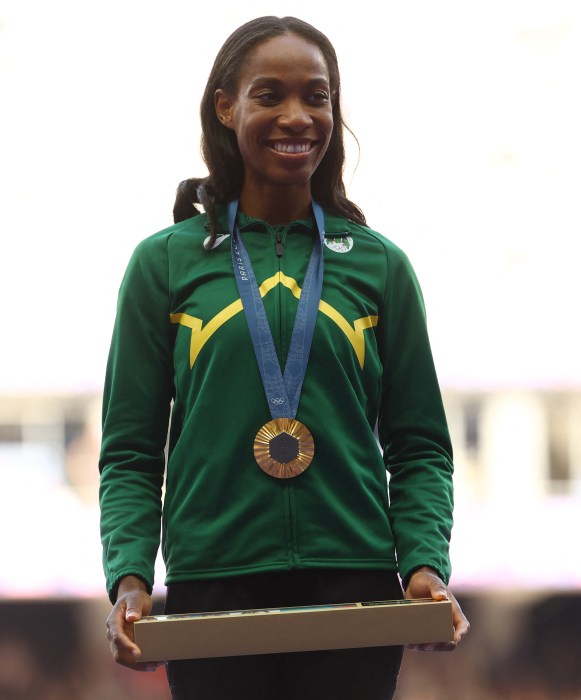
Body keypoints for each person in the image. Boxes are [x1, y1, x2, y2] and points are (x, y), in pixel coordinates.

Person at [100, 15, 469, 700]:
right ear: (225, 106)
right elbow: (130, 450)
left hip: (354, 582)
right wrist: (129, 575)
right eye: (269, 94)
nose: (296, 116)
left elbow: (418, 445)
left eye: (317, 96)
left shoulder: (379, 266)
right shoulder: (165, 263)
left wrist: (422, 561)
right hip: (213, 583)